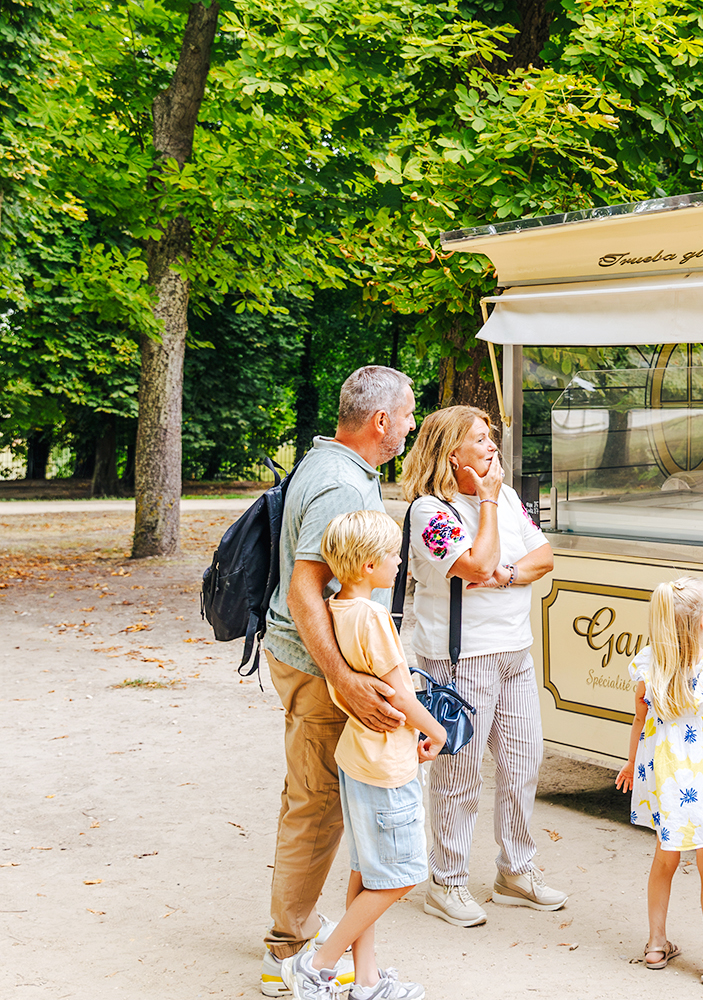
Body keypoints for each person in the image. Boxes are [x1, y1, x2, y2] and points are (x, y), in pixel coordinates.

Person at [260, 366, 415, 996]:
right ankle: (289, 951)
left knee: (311, 798)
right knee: (317, 807)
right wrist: (343, 677)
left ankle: (297, 934)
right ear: (381, 421)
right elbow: (305, 584)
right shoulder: (341, 486)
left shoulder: (327, 467)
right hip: (317, 664)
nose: (409, 424)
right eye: (406, 414)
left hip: (304, 657)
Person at [398, 405, 563, 927]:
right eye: (480, 440)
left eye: (491, 437)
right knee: (460, 774)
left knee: (522, 764)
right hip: (459, 657)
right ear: (452, 454)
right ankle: (445, 882)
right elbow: (477, 561)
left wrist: (504, 574)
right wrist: (487, 505)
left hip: (515, 649)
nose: (492, 447)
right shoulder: (431, 513)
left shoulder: (508, 497)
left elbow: (544, 558)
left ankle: (516, 870)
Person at [281, 510, 447, 1000]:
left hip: (359, 757)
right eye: (393, 555)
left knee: (369, 872)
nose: (400, 563)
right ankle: (318, 964)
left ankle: (367, 980)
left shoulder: (336, 608)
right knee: (400, 877)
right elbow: (400, 695)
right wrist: (436, 731)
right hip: (384, 765)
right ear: (366, 566)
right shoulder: (373, 616)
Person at [615, 577, 703, 986]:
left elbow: (640, 722)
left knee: (664, 857)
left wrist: (628, 765)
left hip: (664, 776)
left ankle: (656, 945)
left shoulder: (647, 664)